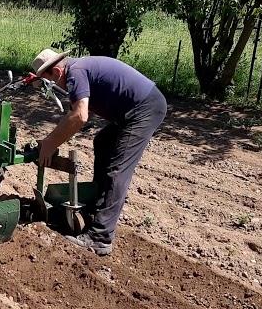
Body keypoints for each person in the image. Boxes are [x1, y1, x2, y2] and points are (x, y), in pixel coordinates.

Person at [33, 49, 167, 255]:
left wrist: (50, 143)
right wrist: (54, 138)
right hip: (136, 107)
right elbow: (77, 111)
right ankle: (96, 210)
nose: (50, 87)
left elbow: (80, 116)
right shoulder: (77, 69)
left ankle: (100, 237)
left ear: (56, 72)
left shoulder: (75, 72)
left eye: (47, 81)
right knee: (103, 142)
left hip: (144, 108)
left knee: (117, 168)